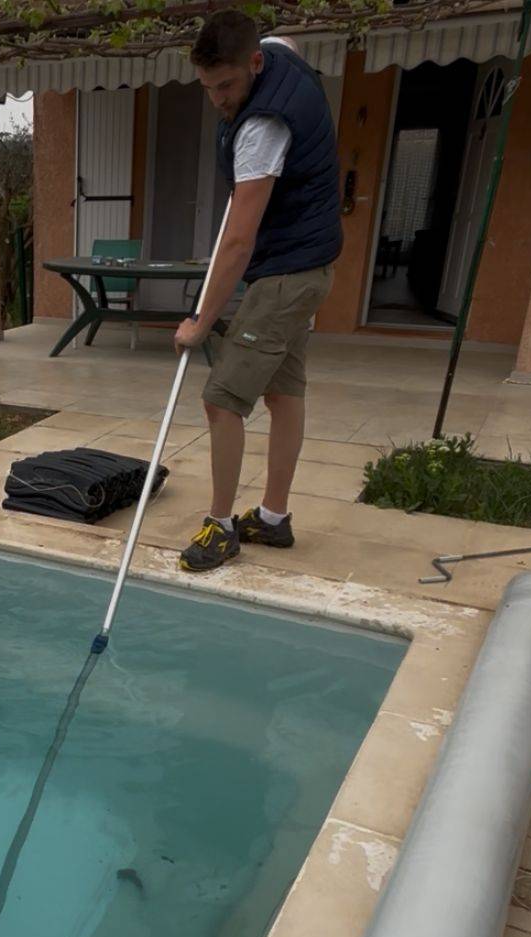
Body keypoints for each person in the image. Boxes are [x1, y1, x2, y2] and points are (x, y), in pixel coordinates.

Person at [174, 12, 342, 572]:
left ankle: (221, 528)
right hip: (309, 265)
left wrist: (201, 322)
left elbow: (239, 239)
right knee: (284, 393)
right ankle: (272, 517)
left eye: (226, 86)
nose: (218, 99)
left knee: (221, 398)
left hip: (286, 274)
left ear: (255, 63)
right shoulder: (277, 52)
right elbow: (287, 39)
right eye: (208, 87)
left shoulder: (261, 129)